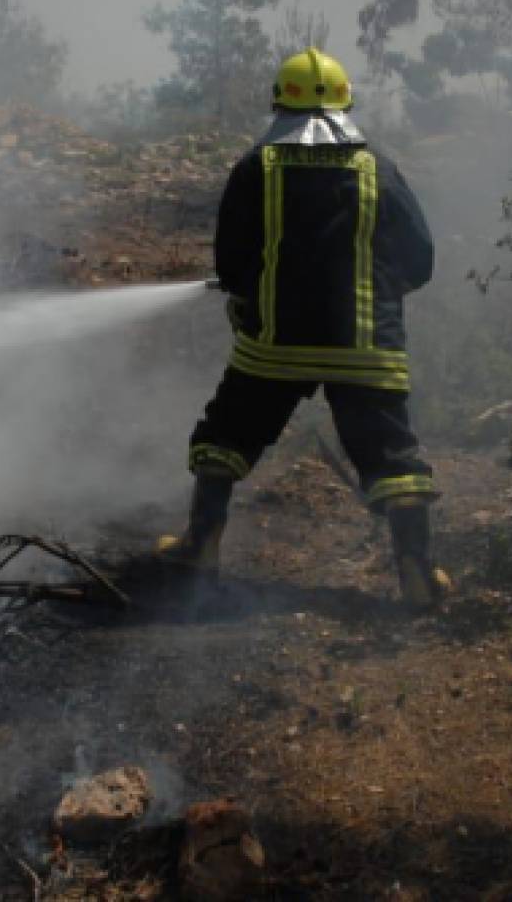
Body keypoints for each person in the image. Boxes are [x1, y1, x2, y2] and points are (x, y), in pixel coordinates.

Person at [157, 47, 450, 609]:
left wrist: (249, 297)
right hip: (366, 346)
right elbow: (420, 259)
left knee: (225, 435)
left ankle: (201, 544)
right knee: (394, 458)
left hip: (274, 348)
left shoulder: (256, 167)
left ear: (277, 103)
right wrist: (380, 296)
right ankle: (417, 576)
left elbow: (233, 262)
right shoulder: (379, 169)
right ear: (346, 103)